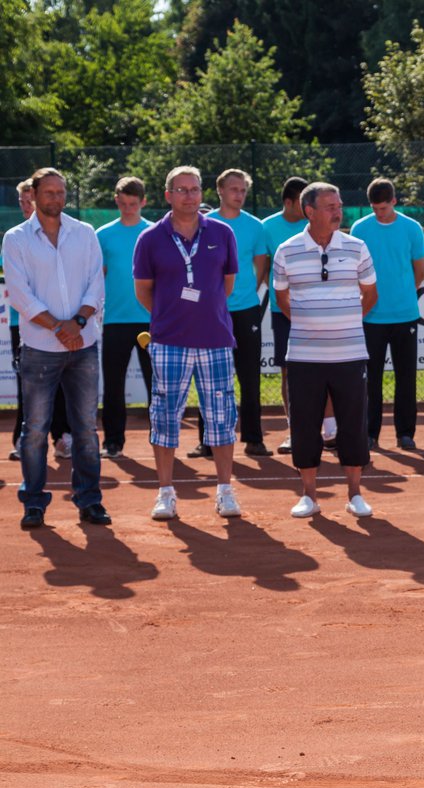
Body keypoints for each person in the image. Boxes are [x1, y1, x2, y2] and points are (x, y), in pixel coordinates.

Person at [1, 168, 110, 529]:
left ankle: (89, 500)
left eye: (61, 192)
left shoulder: (85, 233)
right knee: (34, 430)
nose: (56, 199)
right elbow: (19, 294)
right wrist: (58, 329)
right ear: (33, 195)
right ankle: (33, 503)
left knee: (85, 430)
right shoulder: (15, 239)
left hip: (83, 345)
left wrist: (76, 324)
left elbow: (96, 283)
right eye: (49, 193)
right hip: (39, 349)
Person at [133, 165, 243, 521]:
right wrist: (170, 318)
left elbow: (225, 285)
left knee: (222, 416)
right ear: (168, 195)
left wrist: (202, 313)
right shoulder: (150, 238)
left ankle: (225, 490)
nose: (189, 195)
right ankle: (165, 492)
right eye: (181, 190)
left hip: (215, 341)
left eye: (194, 189)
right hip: (168, 343)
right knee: (164, 417)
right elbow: (144, 292)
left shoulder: (223, 233)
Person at [274, 182, 377, 516]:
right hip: (304, 356)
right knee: (304, 427)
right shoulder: (286, 250)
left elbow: (370, 293)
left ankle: (355, 495)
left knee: (353, 425)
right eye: (330, 206)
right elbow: (282, 299)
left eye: (339, 204)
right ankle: (309, 496)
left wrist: (344, 321)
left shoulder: (357, 246)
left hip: (350, 354)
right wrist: (312, 323)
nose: (338, 211)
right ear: (310, 211)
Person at [192, 168, 271, 458]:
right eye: (234, 189)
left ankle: (254, 438)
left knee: (250, 376)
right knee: (209, 376)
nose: (239, 195)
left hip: (247, 311)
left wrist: (244, 292)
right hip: (210, 313)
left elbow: (261, 266)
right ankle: (208, 441)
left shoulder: (255, 226)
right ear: (220, 191)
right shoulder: (203, 224)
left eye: (243, 191)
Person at [351, 177, 424, 450]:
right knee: (371, 379)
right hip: (371, 316)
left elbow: (420, 269)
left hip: (405, 314)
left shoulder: (411, 228)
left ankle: (405, 433)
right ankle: (370, 434)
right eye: (375, 208)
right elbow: (355, 270)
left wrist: (404, 292)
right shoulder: (360, 228)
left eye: (383, 207)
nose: (379, 212)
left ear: (394, 201)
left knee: (406, 378)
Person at [6, 178, 71, 462]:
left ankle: (62, 437)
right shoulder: (14, 237)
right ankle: (24, 439)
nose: (25, 205)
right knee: (28, 385)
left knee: (59, 384)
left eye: (27, 199)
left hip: (62, 324)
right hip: (21, 325)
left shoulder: (67, 234)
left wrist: (60, 322)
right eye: (20, 201)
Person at [97, 176, 153, 458]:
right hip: (114, 320)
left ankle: (162, 438)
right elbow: (98, 276)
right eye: (124, 203)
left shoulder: (156, 232)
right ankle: (112, 442)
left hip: (151, 321)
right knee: (113, 384)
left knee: (157, 383)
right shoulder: (102, 235)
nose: (129, 208)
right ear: (116, 200)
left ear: (143, 202)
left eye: (134, 203)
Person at [262, 176, 313, 454]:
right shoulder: (267, 227)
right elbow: (263, 266)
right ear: (288, 202)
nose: (308, 207)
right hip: (282, 311)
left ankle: (326, 429)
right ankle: (295, 430)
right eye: (302, 202)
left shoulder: (315, 222)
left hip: (318, 311)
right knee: (288, 371)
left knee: (324, 369)